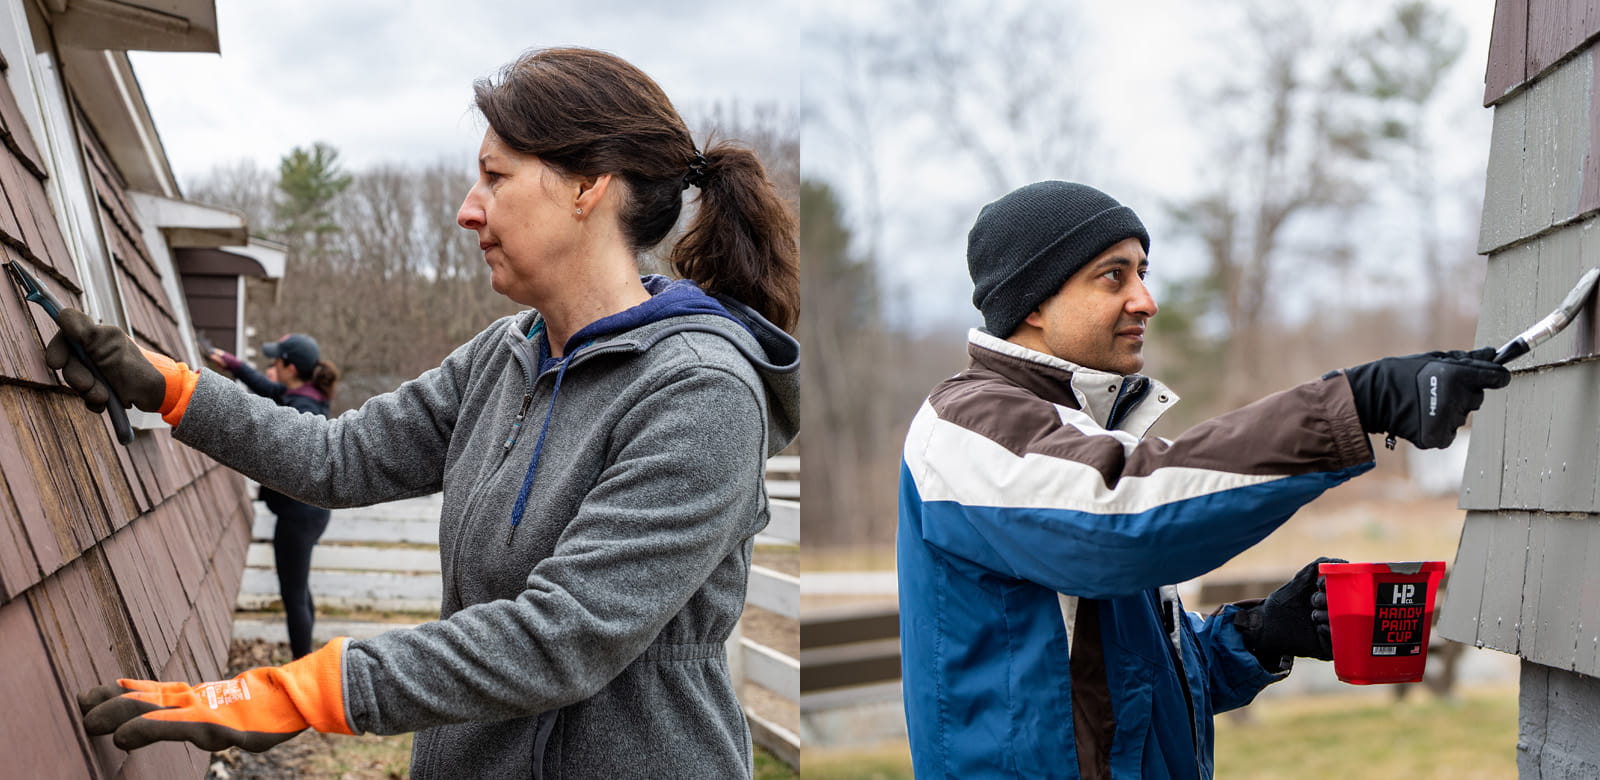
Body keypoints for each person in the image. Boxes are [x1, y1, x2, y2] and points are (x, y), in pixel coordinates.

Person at [55, 47, 798, 779]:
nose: (467, 209)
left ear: (587, 188)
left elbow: (560, 638)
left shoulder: (701, 394)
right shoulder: (507, 353)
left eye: (495, 177)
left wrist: (302, 693)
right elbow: (337, 458)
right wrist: (170, 388)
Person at [896, 181, 1509, 779]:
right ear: (1033, 301)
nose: (1145, 300)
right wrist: (1356, 403)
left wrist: (1260, 634)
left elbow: (1125, 680)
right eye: (1114, 276)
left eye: (1143, 272)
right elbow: (1123, 519)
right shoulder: (966, 427)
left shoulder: (1074, 433)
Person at [206, 333, 339, 660]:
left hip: (300, 516)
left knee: (293, 595)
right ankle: (305, 659)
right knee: (299, 590)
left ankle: (302, 666)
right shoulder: (302, 395)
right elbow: (267, 388)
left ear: (289, 367)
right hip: (308, 513)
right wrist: (231, 363)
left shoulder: (303, 408)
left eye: (276, 361)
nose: (273, 367)